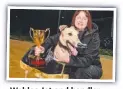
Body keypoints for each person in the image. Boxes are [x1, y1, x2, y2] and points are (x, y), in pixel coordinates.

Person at [34, 10, 103, 79]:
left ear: (88, 21)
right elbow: (51, 39)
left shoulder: (94, 36)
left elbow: (88, 60)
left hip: (92, 66)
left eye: (84, 19)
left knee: (81, 72)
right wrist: (43, 47)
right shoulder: (70, 31)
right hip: (73, 64)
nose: (81, 21)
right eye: (79, 17)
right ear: (74, 19)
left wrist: (68, 60)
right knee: (52, 65)